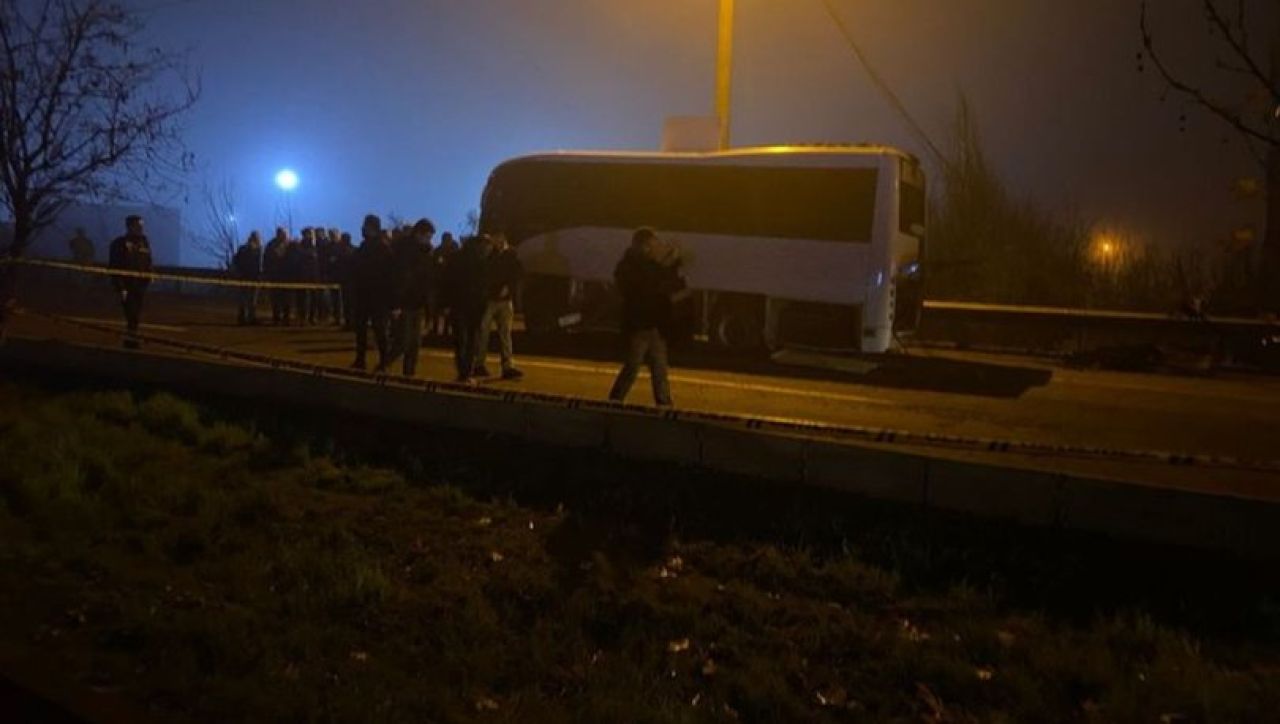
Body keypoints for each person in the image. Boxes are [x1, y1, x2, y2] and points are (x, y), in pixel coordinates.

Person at [607, 227, 686, 407]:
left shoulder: (636, 266)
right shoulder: (629, 267)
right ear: (640, 246)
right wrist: (670, 264)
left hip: (653, 324)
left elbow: (658, 281)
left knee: (659, 369)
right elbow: (646, 285)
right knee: (633, 366)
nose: (652, 249)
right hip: (639, 324)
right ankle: (615, 400)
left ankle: (664, 403)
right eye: (649, 245)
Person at [443, 234, 492, 383]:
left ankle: (463, 370)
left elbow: (447, 281)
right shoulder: (481, 261)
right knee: (471, 339)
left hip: (460, 304)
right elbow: (484, 285)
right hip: (472, 305)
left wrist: (446, 303)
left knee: (461, 340)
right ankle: (466, 371)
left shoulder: (458, 258)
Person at [390, 218, 436, 376]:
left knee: (415, 343)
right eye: (427, 236)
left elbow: (429, 279)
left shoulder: (427, 252)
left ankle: (409, 374)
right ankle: (384, 365)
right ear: (418, 234)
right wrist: (396, 304)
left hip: (419, 303)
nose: (429, 240)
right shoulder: (405, 251)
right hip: (406, 303)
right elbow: (399, 277)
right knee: (402, 342)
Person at [474, 233, 523, 379]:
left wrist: (509, 287)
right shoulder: (492, 254)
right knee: (484, 333)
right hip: (491, 299)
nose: (497, 241)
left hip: (504, 299)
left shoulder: (511, 255)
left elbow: (518, 274)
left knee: (505, 334)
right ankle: (479, 364)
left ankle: (507, 365)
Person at [350, 214, 395, 371]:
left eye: (366, 226)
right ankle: (361, 359)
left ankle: (383, 360)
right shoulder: (364, 247)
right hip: (364, 294)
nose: (363, 228)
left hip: (377, 296)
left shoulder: (382, 248)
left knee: (379, 330)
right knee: (361, 329)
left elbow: (389, 275)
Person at [108, 215, 154, 349]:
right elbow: (114, 266)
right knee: (131, 313)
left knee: (136, 313)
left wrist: (149, 274)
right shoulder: (119, 244)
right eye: (137, 226)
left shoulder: (143, 241)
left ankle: (131, 338)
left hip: (140, 284)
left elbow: (148, 259)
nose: (140, 228)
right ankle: (131, 340)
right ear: (130, 227)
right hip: (127, 284)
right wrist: (120, 286)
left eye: (141, 226)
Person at [430, 232, 459, 337]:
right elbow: (434, 266)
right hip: (440, 284)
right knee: (437, 309)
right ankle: (436, 329)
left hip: (448, 284)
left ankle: (444, 329)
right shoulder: (439, 251)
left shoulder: (454, 252)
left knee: (446, 309)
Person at [232, 231, 263, 325]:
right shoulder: (256, 250)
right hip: (249, 277)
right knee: (248, 299)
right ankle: (247, 318)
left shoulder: (244, 249)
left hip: (249, 277)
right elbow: (236, 261)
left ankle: (245, 317)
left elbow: (235, 261)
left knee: (248, 299)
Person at [263, 228, 291, 324]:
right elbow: (266, 260)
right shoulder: (271, 245)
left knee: (286, 298)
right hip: (274, 275)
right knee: (275, 297)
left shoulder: (289, 245)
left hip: (287, 276)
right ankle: (276, 316)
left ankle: (286, 317)